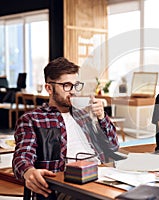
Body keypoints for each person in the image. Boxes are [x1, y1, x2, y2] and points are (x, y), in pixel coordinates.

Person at [12, 57, 120, 199]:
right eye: (67, 86)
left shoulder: (84, 115)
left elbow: (113, 147)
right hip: (66, 185)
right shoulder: (33, 119)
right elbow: (22, 156)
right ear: (49, 88)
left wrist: (101, 117)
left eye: (76, 85)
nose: (73, 91)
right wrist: (28, 171)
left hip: (101, 177)